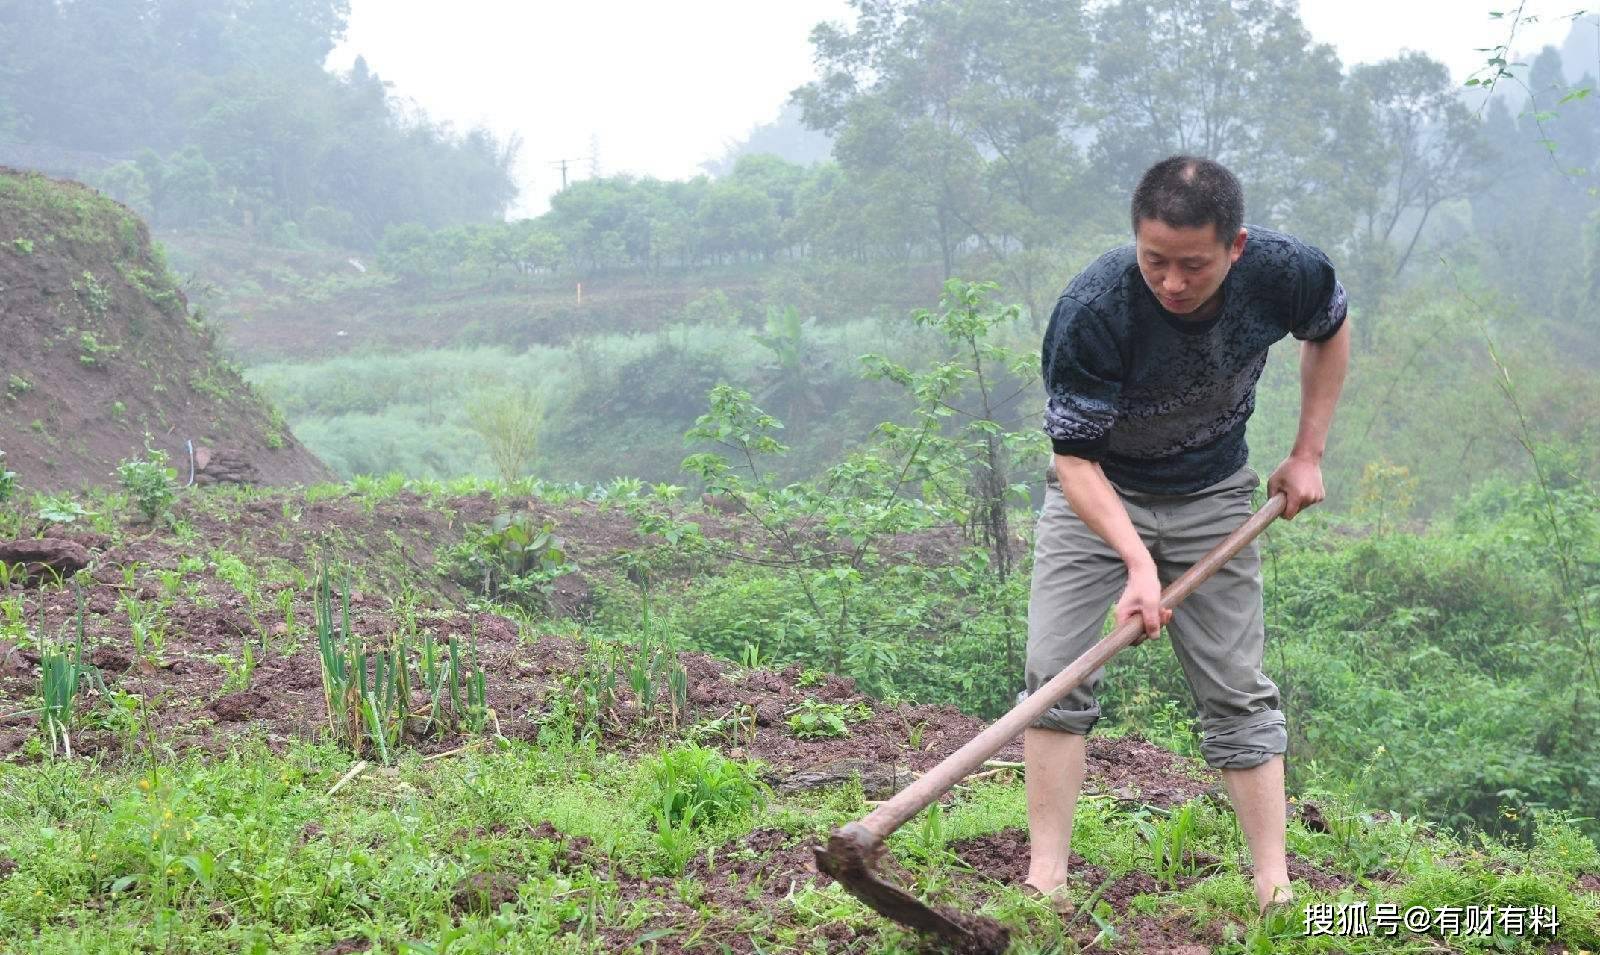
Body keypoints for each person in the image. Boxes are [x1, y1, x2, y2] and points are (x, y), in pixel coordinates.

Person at [1021, 155, 1350, 915]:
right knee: (1056, 673)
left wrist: (1307, 452)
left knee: (1237, 687)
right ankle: (1046, 880)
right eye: (1154, 260)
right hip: (1100, 495)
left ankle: (1274, 886)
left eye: (1192, 265)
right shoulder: (1094, 309)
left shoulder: (1283, 272)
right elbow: (1074, 462)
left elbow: (1329, 330)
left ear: (1234, 246)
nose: (1171, 281)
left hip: (1216, 495)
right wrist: (1136, 561)